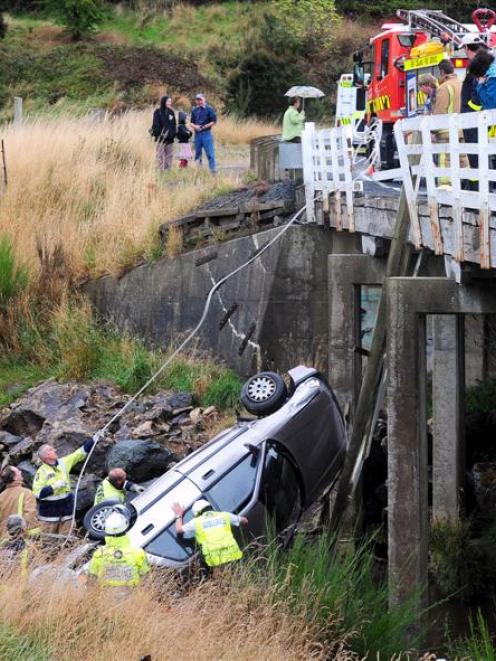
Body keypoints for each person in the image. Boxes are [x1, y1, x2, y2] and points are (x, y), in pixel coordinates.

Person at [32, 441, 94, 535]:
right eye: (51, 449)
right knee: (48, 543)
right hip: (50, 517)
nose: (55, 450)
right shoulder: (41, 472)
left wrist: (93, 440)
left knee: (68, 540)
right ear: (47, 455)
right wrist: (54, 487)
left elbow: (78, 454)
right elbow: (37, 493)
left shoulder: (63, 463)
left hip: (66, 512)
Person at [172, 499, 248, 573]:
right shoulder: (225, 515)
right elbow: (244, 520)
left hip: (215, 561)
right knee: (238, 575)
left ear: (196, 513)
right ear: (210, 507)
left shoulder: (196, 522)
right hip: (233, 555)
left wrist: (179, 516)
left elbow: (179, 530)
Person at [88, 508, 150, 588]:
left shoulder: (99, 553)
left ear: (106, 529)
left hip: (105, 598)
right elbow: (146, 578)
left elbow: (91, 579)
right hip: (132, 598)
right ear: (125, 527)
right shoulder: (137, 552)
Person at [433, 60, 469, 189]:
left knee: (445, 161)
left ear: (442, 71)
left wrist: (433, 130)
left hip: (446, 132)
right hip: (462, 130)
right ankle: (468, 187)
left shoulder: (443, 87)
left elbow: (439, 112)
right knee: (463, 160)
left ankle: (445, 189)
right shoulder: (462, 84)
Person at [459, 35, 488, 190]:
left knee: (476, 158)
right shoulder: (486, 65)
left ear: (467, 48)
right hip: (480, 120)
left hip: (473, 122)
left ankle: (478, 193)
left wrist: (468, 111)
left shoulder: (476, 69)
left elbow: (475, 98)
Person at [0, 465, 38, 536]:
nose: (20, 472)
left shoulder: (1, 496)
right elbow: (30, 516)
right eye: (18, 472)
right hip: (22, 536)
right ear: (14, 478)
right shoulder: (27, 493)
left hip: (4, 537)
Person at [190, 93, 217, 173]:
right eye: (198, 100)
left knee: (210, 153)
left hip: (206, 134)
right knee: (198, 153)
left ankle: (213, 170)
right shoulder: (194, 110)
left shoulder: (209, 109)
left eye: (200, 100)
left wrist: (204, 126)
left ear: (204, 99)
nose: (199, 101)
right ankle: (199, 170)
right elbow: (191, 122)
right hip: (197, 135)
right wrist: (195, 127)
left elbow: (214, 121)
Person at [152, 95, 177, 171]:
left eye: (170, 101)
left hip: (170, 138)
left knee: (169, 154)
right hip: (161, 137)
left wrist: (172, 134)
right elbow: (155, 124)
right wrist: (161, 133)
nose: (170, 103)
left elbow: (174, 124)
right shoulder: (157, 112)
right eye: (168, 101)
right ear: (164, 102)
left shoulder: (171, 112)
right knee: (160, 154)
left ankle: (168, 169)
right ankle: (160, 169)